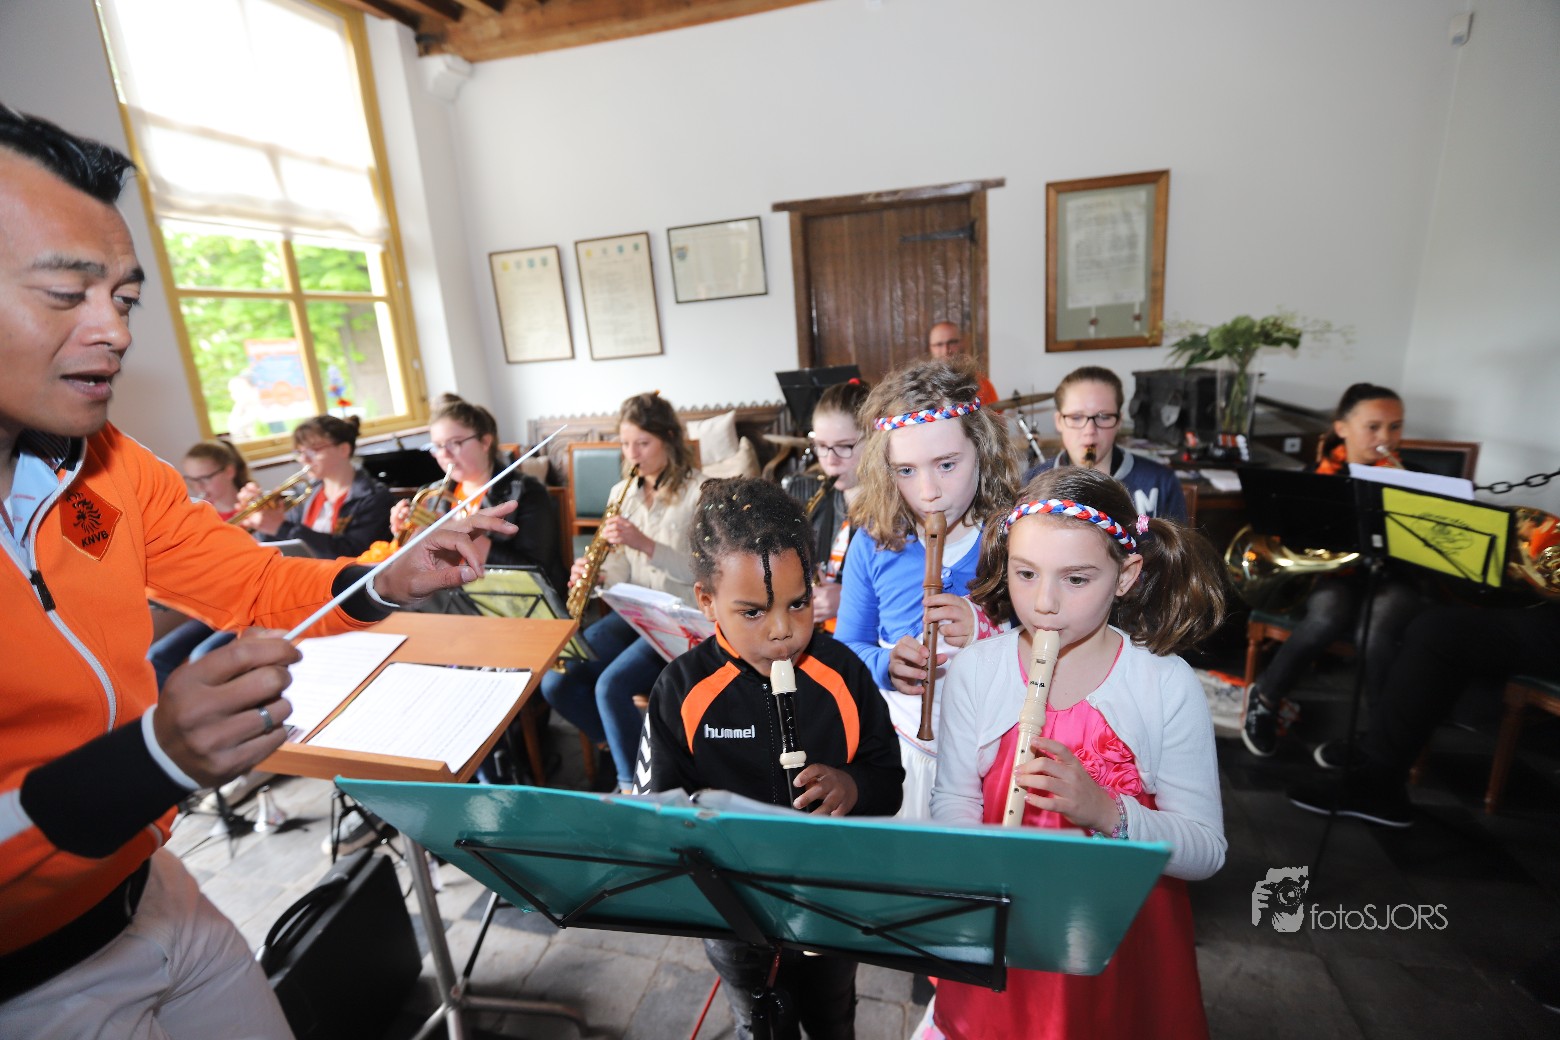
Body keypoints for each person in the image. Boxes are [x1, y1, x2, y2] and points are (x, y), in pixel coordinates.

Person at [0, 105, 514, 1037]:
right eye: (67, 294)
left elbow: (253, 585)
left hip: (151, 892)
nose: (114, 331)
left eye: (125, 298)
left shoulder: (111, 467)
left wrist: (383, 579)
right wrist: (151, 759)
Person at [926, 466, 1228, 1039]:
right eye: (1025, 573)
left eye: (1076, 579)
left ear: (1125, 576)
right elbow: (954, 802)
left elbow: (1206, 851)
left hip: (1119, 945)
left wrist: (1106, 812)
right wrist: (979, 863)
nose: (1044, 603)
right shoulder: (975, 671)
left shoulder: (1165, 684)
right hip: (1005, 934)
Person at [636, 476, 904, 1039]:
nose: (783, 631)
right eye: (753, 612)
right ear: (706, 601)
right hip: (734, 917)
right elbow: (657, 815)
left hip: (830, 906)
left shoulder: (843, 672)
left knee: (834, 1018)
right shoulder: (681, 690)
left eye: (798, 604)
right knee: (757, 1023)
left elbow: (888, 780)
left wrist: (852, 787)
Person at [834, 356, 1019, 817]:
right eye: (906, 471)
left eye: (947, 464)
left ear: (983, 450)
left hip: (997, 754)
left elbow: (1055, 649)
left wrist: (985, 632)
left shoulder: (1017, 539)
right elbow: (848, 649)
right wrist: (886, 665)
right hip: (903, 752)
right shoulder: (873, 543)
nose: (928, 491)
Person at [1242, 383, 1425, 762]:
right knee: (1328, 613)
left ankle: (1381, 737)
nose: (1386, 437)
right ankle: (1267, 696)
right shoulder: (1316, 477)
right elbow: (1292, 535)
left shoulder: (1414, 477)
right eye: (1373, 427)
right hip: (1335, 576)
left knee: (1377, 628)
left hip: (1394, 578)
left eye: (1395, 427)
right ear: (1341, 428)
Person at [543, 391, 705, 792]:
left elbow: (704, 572)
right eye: (625, 443)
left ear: (669, 439)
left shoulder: (700, 491)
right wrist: (596, 575)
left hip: (679, 618)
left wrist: (645, 544)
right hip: (634, 612)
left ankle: (634, 787)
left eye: (643, 443)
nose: (632, 454)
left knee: (610, 687)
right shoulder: (621, 493)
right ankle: (628, 750)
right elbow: (619, 567)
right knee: (556, 681)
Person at [389, 392, 566, 593]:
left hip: (510, 600)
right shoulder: (430, 495)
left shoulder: (527, 493)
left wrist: (461, 535)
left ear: (485, 442)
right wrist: (405, 534)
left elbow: (536, 572)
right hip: (449, 600)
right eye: (437, 446)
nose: (444, 454)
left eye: (455, 443)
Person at [147, 440, 254, 688]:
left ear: (229, 471)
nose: (199, 488)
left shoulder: (254, 509)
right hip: (210, 611)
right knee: (156, 657)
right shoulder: (200, 516)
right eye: (192, 480)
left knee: (202, 657)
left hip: (246, 609)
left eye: (205, 478)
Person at [1022, 366, 1187, 522]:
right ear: (1059, 421)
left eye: (1104, 417)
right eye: (1076, 417)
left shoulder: (1160, 482)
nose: (1090, 430)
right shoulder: (1031, 483)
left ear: (1119, 421)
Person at [237, 413, 392, 559]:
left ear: (343, 449)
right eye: (300, 452)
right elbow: (282, 548)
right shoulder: (303, 493)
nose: (304, 459)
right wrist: (263, 522)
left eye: (314, 450)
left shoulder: (375, 498)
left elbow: (352, 553)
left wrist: (281, 527)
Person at [784, 377, 871, 630]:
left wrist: (848, 598)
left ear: (875, 439)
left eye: (844, 447)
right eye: (821, 446)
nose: (830, 461)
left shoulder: (897, 510)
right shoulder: (818, 497)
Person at [926, 321, 999, 407]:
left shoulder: (980, 382)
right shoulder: (922, 386)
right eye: (939, 344)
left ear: (962, 343)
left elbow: (996, 412)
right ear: (930, 348)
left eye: (952, 342)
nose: (946, 350)